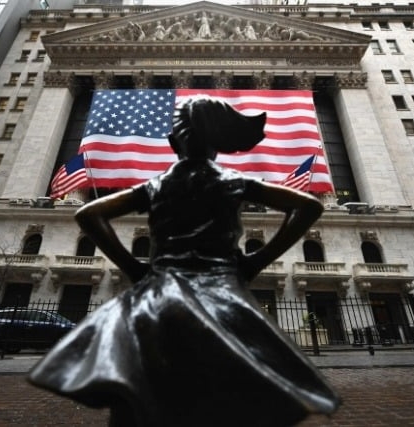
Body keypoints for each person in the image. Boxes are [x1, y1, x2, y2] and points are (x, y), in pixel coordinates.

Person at [28, 97, 340, 427]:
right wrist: (256, 261)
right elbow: (309, 206)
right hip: (221, 291)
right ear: (217, 143)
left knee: (141, 387)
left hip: (159, 293)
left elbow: (89, 213)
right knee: (228, 389)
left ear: (173, 142)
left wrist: (133, 267)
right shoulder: (233, 181)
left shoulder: (156, 186)